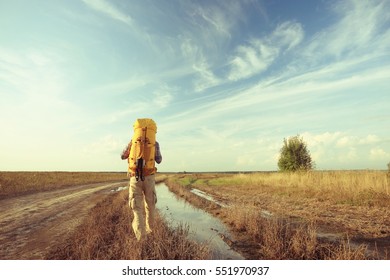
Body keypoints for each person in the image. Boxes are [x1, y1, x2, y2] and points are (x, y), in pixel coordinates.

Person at [121, 132, 162, 241]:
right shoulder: (154, 143)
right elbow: (159, 160)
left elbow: (122, 156)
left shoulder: (132, 143)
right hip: (149, 178)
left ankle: (141, 239)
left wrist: (134, 148)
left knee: (137, 208)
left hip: (135, 178)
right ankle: (151, 232)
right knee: (150, 206)